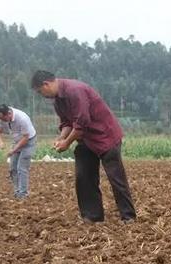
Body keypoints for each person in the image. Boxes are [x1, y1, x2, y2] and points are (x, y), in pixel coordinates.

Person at [30, 70, 136, 223]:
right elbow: (67, 123)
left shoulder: (75, 91)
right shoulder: (58, 100)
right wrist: (61, 138)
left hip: (105, 136)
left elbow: (82, 123)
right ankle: (92, 216)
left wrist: (67, 143)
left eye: (41, 91)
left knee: (116, 178)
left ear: (46, 84)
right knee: (83, 176)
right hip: (86, 139)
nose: (42, 95)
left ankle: (128, 217)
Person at [0, 104, 37, 199]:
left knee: (21, 168)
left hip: (28, 141)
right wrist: (1, 142)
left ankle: (23, 194)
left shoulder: (22, 118)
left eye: (4, 119)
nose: (2, 121)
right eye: (0, 119)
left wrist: (13, 150)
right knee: (13, 168)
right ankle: (17, 191)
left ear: (9, 113)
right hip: (16, 141)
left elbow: (25, 138)